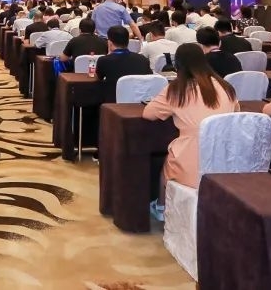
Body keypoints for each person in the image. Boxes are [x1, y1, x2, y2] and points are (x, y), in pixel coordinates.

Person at [142, 42, 238, 218]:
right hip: (225, 157)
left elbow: (148, 114)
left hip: (191, 160)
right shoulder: (225, 86)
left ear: (178, 65)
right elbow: (235, 115)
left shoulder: (177, 89)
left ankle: (162, 208)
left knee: (167, 164)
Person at [96, 26, 152, 93]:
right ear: (128, 41)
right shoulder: (142, 59)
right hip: (138, 97)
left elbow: (98, 79)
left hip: (113, 98)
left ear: (110, 42)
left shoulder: (104, 60)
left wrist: (109, 54)